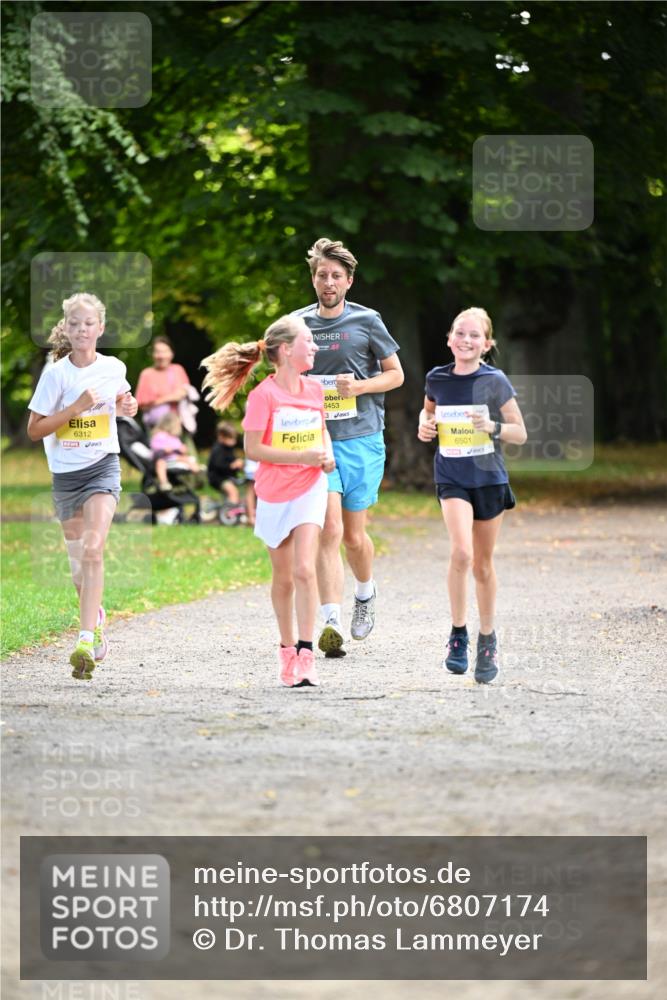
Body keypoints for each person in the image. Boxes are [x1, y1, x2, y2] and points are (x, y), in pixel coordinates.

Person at [201, 315, 335, 688]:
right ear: (287, 350)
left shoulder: (314, 390)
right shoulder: (264, 396)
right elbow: (253, 448)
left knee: (305, 569)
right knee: (283, 578)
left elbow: (322, 431)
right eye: (309, 341)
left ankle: (307, 655)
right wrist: (302, 456)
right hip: (275, 493)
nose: (315, 346)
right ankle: (286, 648)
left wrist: (326, 455)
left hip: (311, 486)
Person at [294, 237, 403, 659]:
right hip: (318, 442)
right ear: (314, 278)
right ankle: (331, 622)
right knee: (330, 530)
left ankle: (365, 591)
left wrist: (360, 386)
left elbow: (395, 375)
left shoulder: (368, 320)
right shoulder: (297, 324)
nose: (328, 282)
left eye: (336, 276)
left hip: (362, 437)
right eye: (322, 275)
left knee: (355, 537)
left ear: (348, 281)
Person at [27, 292, 138, 680]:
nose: (80, 330)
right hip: (66, 476)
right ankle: (97, 616)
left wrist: (127, 406)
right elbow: (34, 429)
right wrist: (74, 408)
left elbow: (124, 401)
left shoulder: (114, 367)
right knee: (78, 565)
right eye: (73, 323)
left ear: (100, 328)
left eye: (88, 323)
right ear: (66, 328)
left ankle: (86, 639)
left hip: (102, 468)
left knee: (94, 549)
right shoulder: (56, 375)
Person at [417, 307, 527, 683]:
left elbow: (520, 432)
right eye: (460, 334)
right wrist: (424, 426)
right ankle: (458, 633)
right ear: (449, 339)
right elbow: (427, 413)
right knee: (461, 552)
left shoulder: (494, 380)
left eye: (474, 335)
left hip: (489, 479)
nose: (466, 340)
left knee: (482, 564)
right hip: (452, 476)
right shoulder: (437, 378)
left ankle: (487, 638)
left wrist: (492, 425)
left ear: (487, 343)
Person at [135, 335, 196, 431]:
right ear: (153, 354)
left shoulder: (178, 370)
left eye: (165, 351)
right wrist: (169, 398)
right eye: (158, 352)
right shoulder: (147, 374)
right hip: (157, 428)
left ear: (171, 353)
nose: (161, 356)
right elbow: (141, 405)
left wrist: (158, 400)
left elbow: (183, 393)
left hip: (180, 425)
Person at [150, 412, 203, 490]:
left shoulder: (174, 437)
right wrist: (164, 449)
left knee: (185, 458)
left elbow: (179, 448)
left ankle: (197, 470)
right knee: (160, 464)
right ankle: (164, 483)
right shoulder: (159, 435)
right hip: (163, 459)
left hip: (173, 458)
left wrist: (182, 449)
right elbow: (155, 449)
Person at [207, 421, 244, 504]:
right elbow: (218, 465)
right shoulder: (218, 449)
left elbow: (232, 459)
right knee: (233, 491)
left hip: (227, 476)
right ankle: (230, 513)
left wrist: (239, 464)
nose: (234, 441)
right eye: (230, 438)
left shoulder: (228, 448)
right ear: (221, 437)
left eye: (234, 438)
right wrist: (232, 466)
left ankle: (231, 505)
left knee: (240, 490)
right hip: (218, 477)